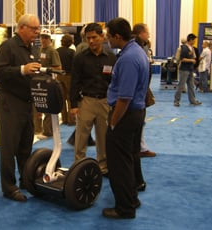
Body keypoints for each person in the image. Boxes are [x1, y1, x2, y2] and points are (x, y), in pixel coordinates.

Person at [0, 14, 41, 202]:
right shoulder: (8, 47)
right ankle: (9, 188)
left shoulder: (32, 48)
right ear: (22, 28)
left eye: (37, 29)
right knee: (9, 148)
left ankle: (25, 180)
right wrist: (21, 69)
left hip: (27, 103)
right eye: (34, 29)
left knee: (26, 146)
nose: (37, 32)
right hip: (10, 103)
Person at [102, 17, 149, 219]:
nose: (106, 39)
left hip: (125, 115)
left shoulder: (129, 58)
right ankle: (131, 199)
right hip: (135, 114)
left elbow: (125, 98)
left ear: (117, 36)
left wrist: (113, 123)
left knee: (118, 164)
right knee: (128, 160)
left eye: (108, 36)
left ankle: (125, 208)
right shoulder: (136, 51)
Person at [70, 23, 116, 176]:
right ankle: (78, 165)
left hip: (105, 102)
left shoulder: (111, 57)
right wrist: (74, 105)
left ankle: (103, 166)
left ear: (102, 37)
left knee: (103, 137)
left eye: (94, 37)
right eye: (88, 38)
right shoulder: (80, 58)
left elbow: (114, 82)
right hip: (86, 102)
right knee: (81, 136)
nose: (91, 41)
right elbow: (74, 82)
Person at [132, 23, 156, 158]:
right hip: (138, 92)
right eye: (147, 32)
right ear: (141, 33)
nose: (149, 35)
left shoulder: (141, 47)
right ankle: (139, 148)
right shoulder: (137, 48)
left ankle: (140, 147)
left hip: (142, 89)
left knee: (140, 120)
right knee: (138, 120)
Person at [34, 28, 62, 140]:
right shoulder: (39, 50)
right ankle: (37, 129)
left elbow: (58, 67)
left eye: (46, 38)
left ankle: (48, 131)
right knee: (37, 105)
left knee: (48, 108)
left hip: (48, 82)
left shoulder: (52, 51)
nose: (43, 40)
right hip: (39, 81)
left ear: (50, 39)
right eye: (42, 37)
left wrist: (44, 69)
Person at [173, 33, 202, 107]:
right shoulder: (184, 48)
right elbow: (182, 59)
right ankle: (176, 101)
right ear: (191, 40)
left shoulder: (192, 48)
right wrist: (191, 60)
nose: (195, 41)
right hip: (184, 69)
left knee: (191, 86)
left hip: (190, 69)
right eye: (194, 40)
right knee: (181, 85)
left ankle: (192, 100)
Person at [56, 34, 75, 126]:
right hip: (69, 76)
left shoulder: (57, 51)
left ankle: (64, 119)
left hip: (59, 76)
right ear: (70, 42)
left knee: (62, 98)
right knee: (69, 98)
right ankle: (71, 119)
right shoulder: (72, 52)